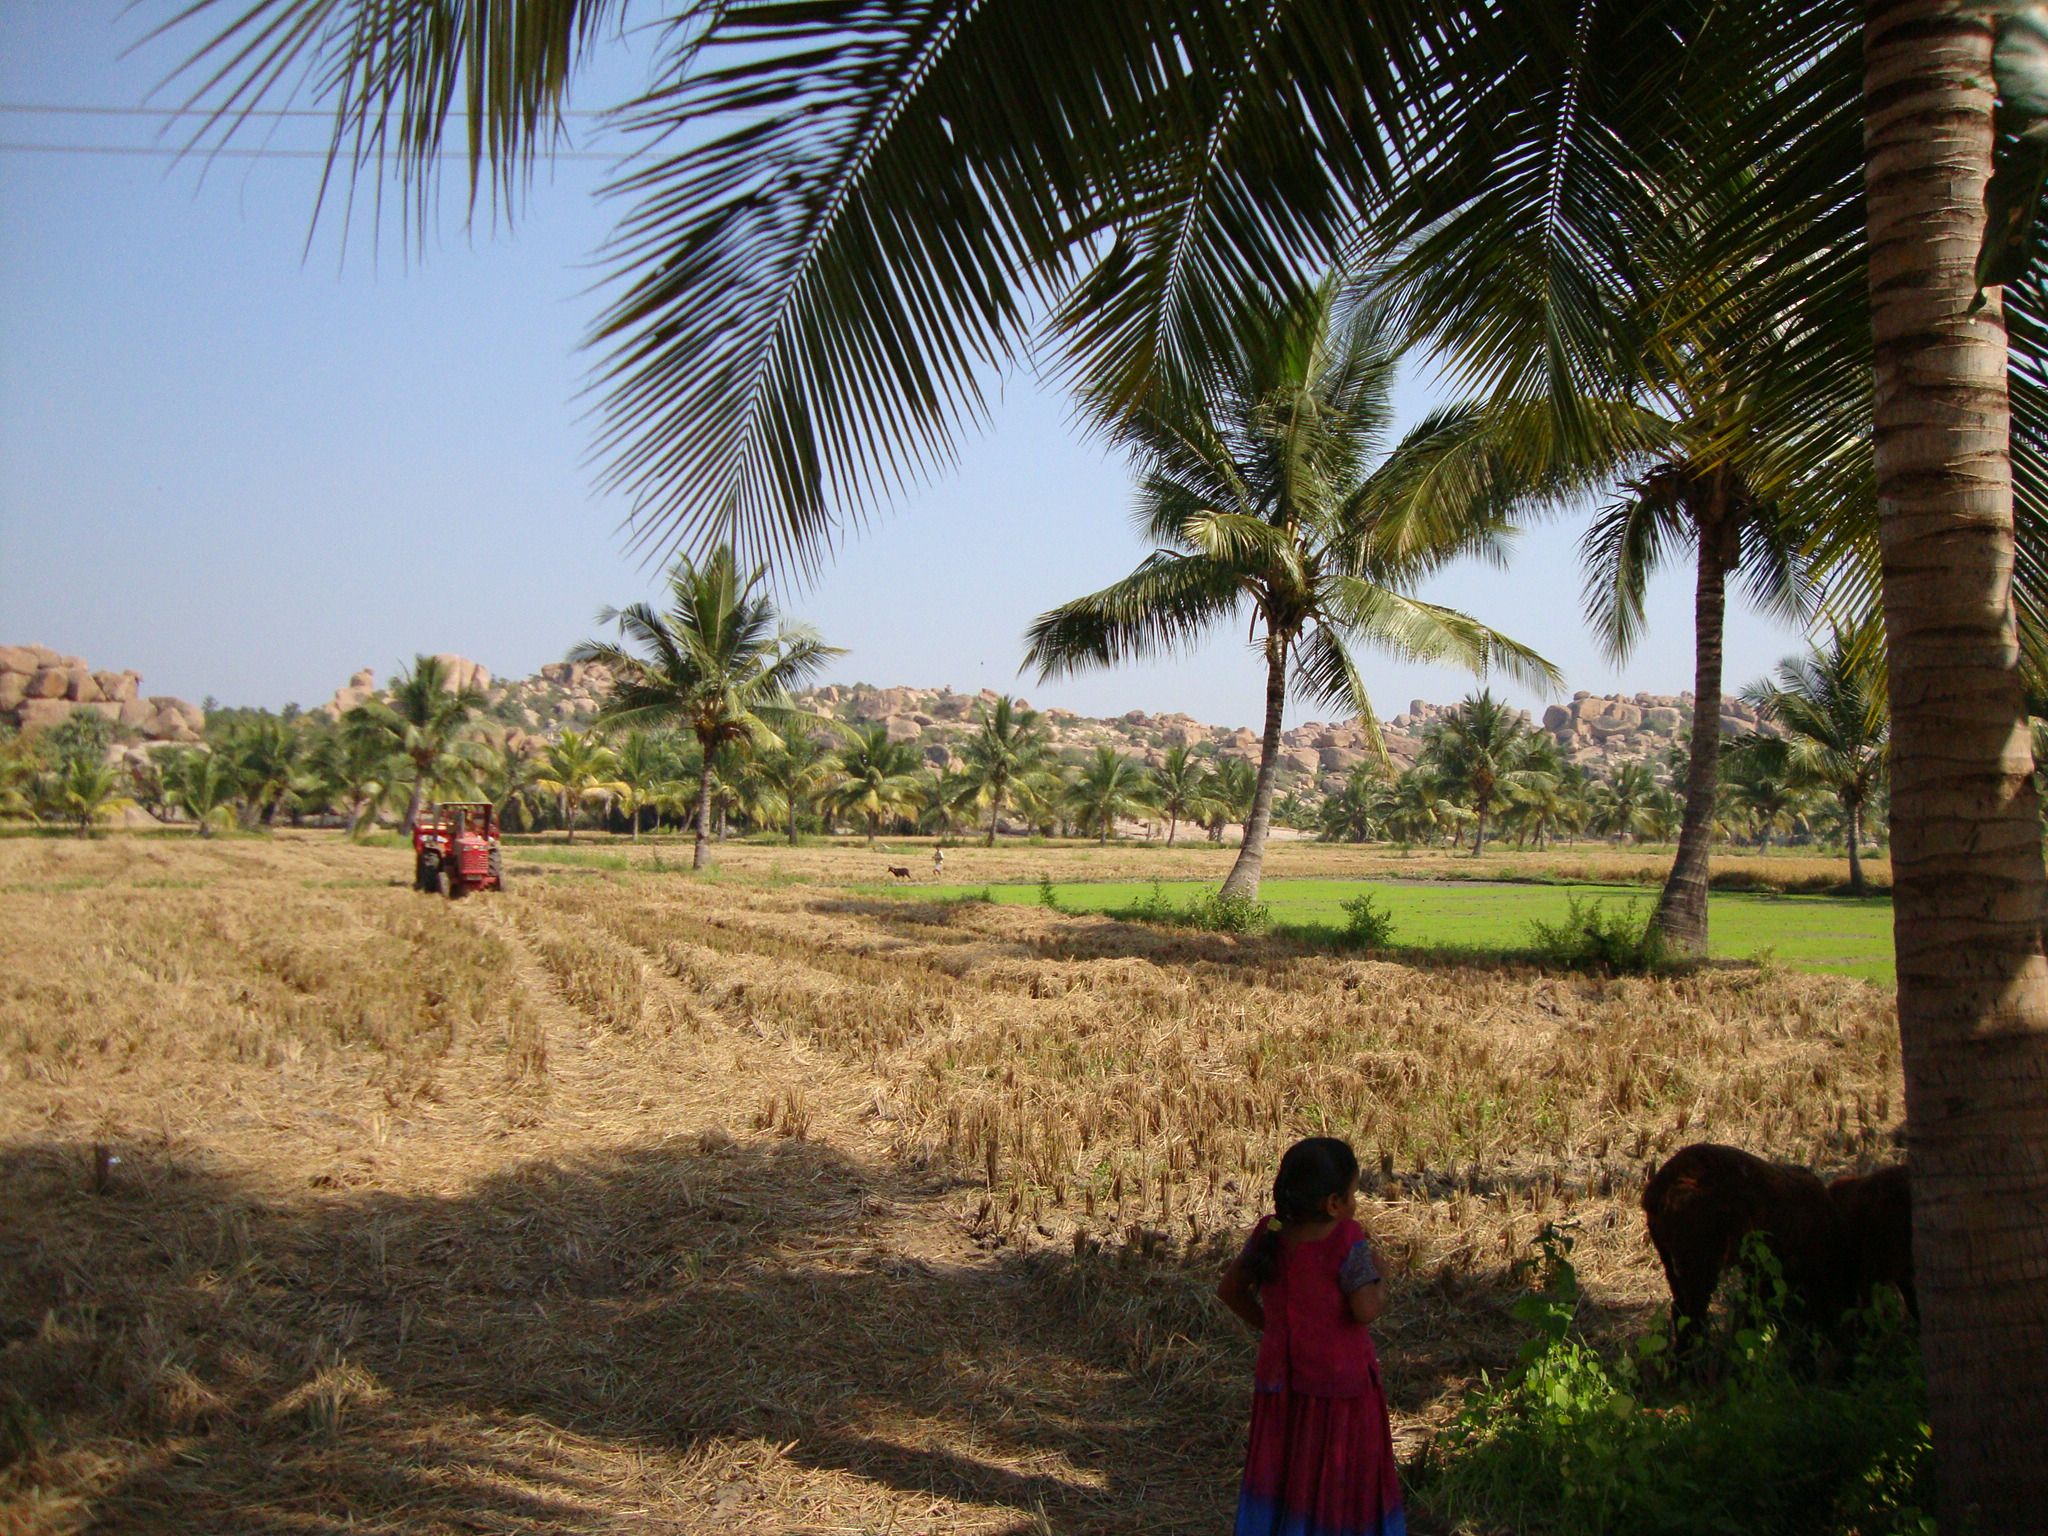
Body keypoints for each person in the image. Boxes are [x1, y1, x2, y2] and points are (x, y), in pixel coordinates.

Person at [1217, 1136, 1404, 1536]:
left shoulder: (1270, 1233)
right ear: (1333, 1203)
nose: (1356, 1203)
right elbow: (1365, 1309)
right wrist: (1382, 1275)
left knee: (1284, 1473)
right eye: (1354, 1193)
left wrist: (1276, 1329)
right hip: (1341, 1392)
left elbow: (1229, 1290)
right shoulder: (1347, 1239)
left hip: (1280, 1386)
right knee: (1336, 1477)